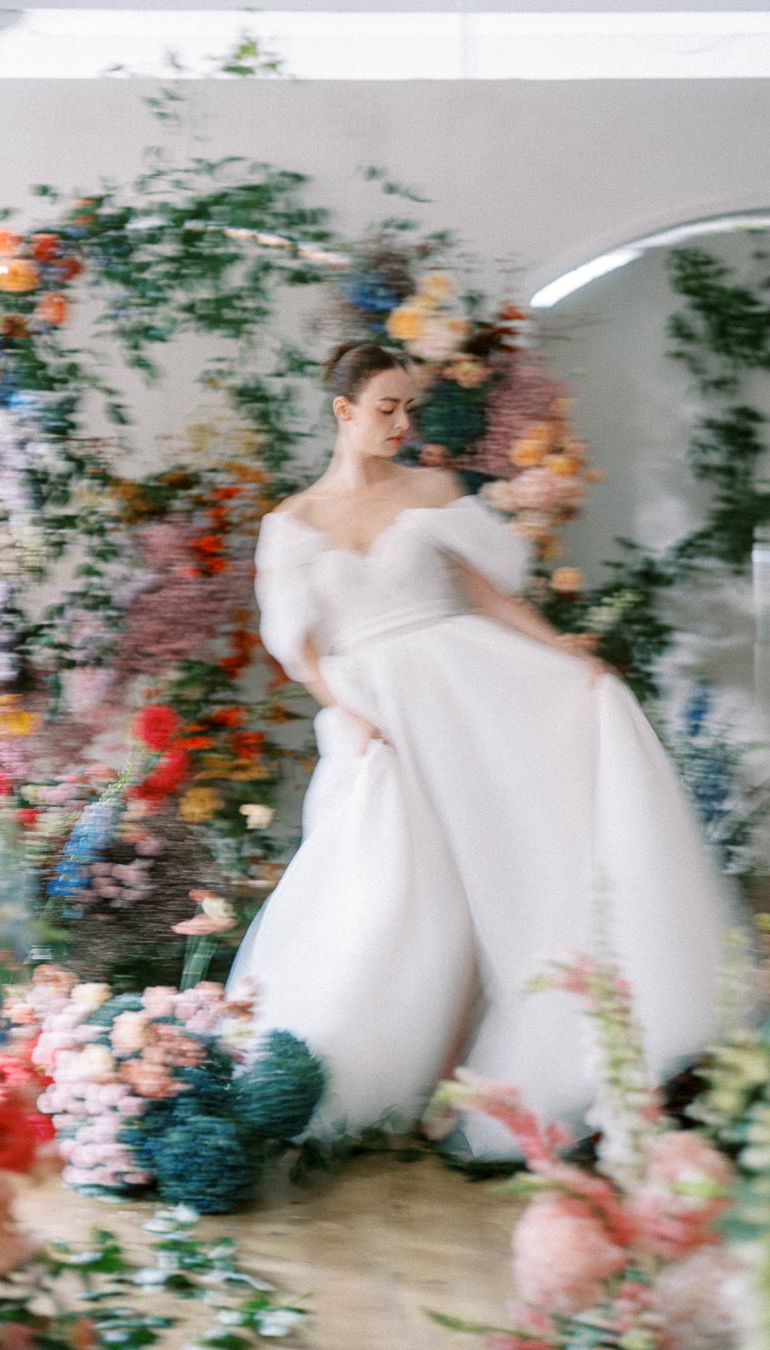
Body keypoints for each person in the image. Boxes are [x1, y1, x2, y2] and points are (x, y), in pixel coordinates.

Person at [226, 340, 744, 1159]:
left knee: (503, 866)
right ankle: (393, 1071)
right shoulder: (291, 525)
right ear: (344, 411)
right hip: (376, 711)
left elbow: (483, 592)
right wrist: (346, 713)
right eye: (386, 407)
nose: (402, 423)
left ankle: (488, 1068)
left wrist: (567, 652)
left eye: (410, 408)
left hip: (470, 686)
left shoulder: (431, 488)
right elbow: (299, 651)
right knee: (396, 886)